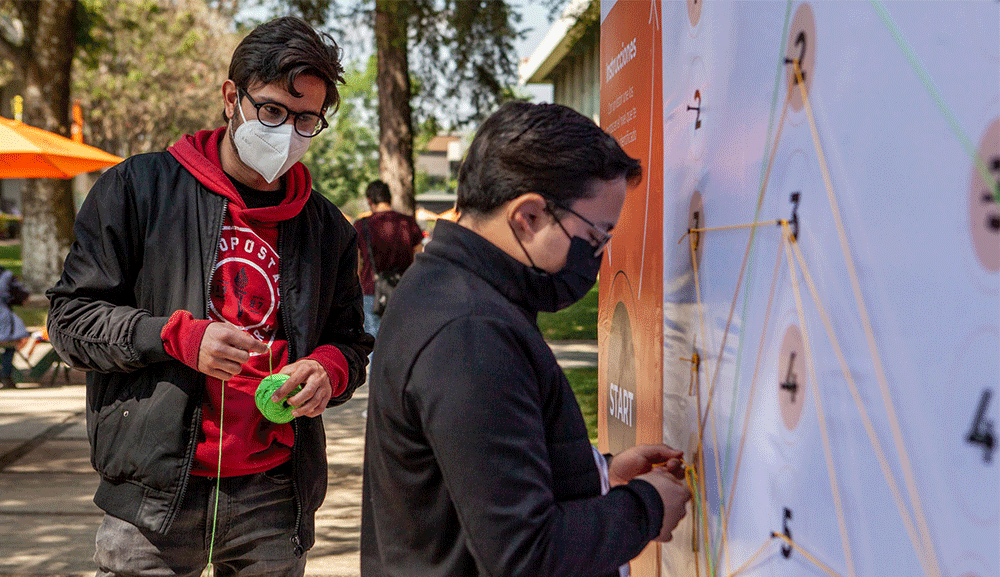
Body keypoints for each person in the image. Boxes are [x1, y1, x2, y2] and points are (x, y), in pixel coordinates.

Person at [46, 17, 373, 577]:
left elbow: (350, 342)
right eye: (272, 110)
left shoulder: (328, 230)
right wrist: (178, 336)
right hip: (154, 496)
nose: (287, 131)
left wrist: (329, 369)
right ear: (231, 97)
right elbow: (70, 322)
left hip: (273, 494)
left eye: (306, 119)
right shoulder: (137, 190)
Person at [360, 101, 691, 577]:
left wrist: (601, 475)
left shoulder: (444, 286)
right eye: (596, 237)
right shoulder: (469, 332)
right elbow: (524, 554)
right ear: (529, 216)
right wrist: (646, 508)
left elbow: (480, 473)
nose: (597, 257)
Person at [353, 179, 424, 337]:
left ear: (369, 200)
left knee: (373, 343)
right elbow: (419, 258)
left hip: (371, 290)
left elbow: (356, 265)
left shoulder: (361, 226)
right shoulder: (408, 222)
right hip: (404, 289)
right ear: (389, 198)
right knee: (403, 341)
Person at [0, 266, 29, 388]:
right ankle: (6, 375)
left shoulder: (6, 275)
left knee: (11, 341)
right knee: (15, 339)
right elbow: (21, 296)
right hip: (3, 317)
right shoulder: (6, 275)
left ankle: (6, 375)